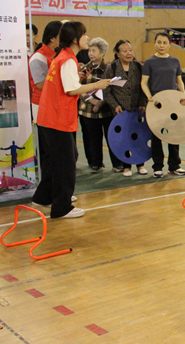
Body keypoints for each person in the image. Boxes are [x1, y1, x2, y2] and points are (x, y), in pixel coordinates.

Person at [32, 22, 111, 219]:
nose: (87, 38)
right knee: (65, 165)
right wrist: (98, 84)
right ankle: (62, 207)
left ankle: (43, 197)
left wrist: (78, 77)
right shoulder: (67, 59)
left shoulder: (62, 57)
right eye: (84, 34)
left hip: (50, 117)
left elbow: (67, 84)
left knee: (59, 160)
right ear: (75, 39)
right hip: (57, 118)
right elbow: (71, 90)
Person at [141, 32, 185, 177]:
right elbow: (143, 82)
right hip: (157, 105)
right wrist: (149, 97)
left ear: (169, 45)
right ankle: (157, 167)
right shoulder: (149, 62)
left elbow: (179, 81)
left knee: (174, 134)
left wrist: (183, 94)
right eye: (159, 42)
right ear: (155, 44)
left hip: (173, 103)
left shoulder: (175, 61)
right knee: (157, 136)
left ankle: (174, 165)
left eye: (165, 43)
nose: (161, 45)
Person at [103, 40, 149, 177]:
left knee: (138, 137)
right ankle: (126, 166)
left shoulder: (138, 66)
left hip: (137, 110)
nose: (129, 53)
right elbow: (106, 91)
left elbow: (144, 87)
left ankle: (140, 165)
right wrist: (115, 105)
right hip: (121, 112)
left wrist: (142, 103)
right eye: (124, 51)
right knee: (124, 139)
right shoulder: (111, 68)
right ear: (118, 54)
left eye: (130, 50)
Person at [78, 37, 115, 173]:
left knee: (111, 138)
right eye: (89, 51)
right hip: (87, 110)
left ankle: (117, 164)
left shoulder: (109, 69)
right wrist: (91, 101)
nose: (90, 54)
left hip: (106, 110)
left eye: (94, 51)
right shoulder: (83, 68)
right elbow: (77, 87)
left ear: (102, 53)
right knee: (92, 138)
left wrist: (100, 103)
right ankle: (95, 164)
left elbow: (111, 88)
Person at [29, 21, 62, 119]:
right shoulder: (38, 57)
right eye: (62, 36)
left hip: (56, 101)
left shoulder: (57, 54)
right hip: (42, 103)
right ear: (52, 38)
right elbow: (40, 84)